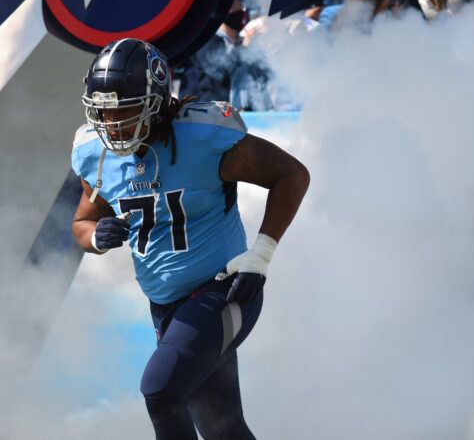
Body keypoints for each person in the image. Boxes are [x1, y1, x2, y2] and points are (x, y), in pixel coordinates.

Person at [70, 38, 310, 439]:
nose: (112, 125)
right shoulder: (95, 152)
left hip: (223, 288)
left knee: (161, 391)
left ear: (156, 101)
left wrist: (261, 255)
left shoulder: (203, 137)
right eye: (104, 112)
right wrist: (95, 235)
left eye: (125, 110)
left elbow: (292, 175)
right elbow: (81, 221)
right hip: (165, 307)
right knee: (223, 428)